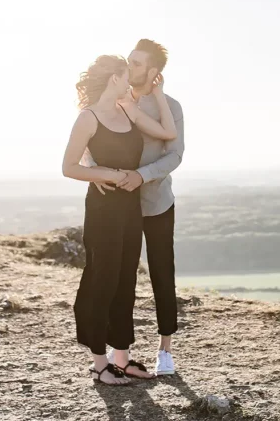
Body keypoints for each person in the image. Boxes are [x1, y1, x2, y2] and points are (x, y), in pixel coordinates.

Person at [61, 54, 178, 386]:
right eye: (126, 75)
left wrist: (158, 93)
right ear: (115, 78)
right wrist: (108, 174)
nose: (130, 81)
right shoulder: (88, 118)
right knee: (103, 280)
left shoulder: (127, 110)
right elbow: (69, 167)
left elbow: (168, 133)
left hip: (130, 208)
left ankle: (122, 359)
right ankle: (100, 364)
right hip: (103, 210)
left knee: (126, 281)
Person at [93, 39, 184, 376]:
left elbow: (175, 155)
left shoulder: (171, 107)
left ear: (153, 71)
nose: (129, 67)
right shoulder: (115, 100)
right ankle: (121, 351)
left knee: (162, 273)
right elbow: (93, 138)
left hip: (157, 201)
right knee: (121, 278)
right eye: (129, 61)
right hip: (121, 203)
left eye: (137, 63)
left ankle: (165, 350)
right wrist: (95, 171)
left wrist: (141, 176)